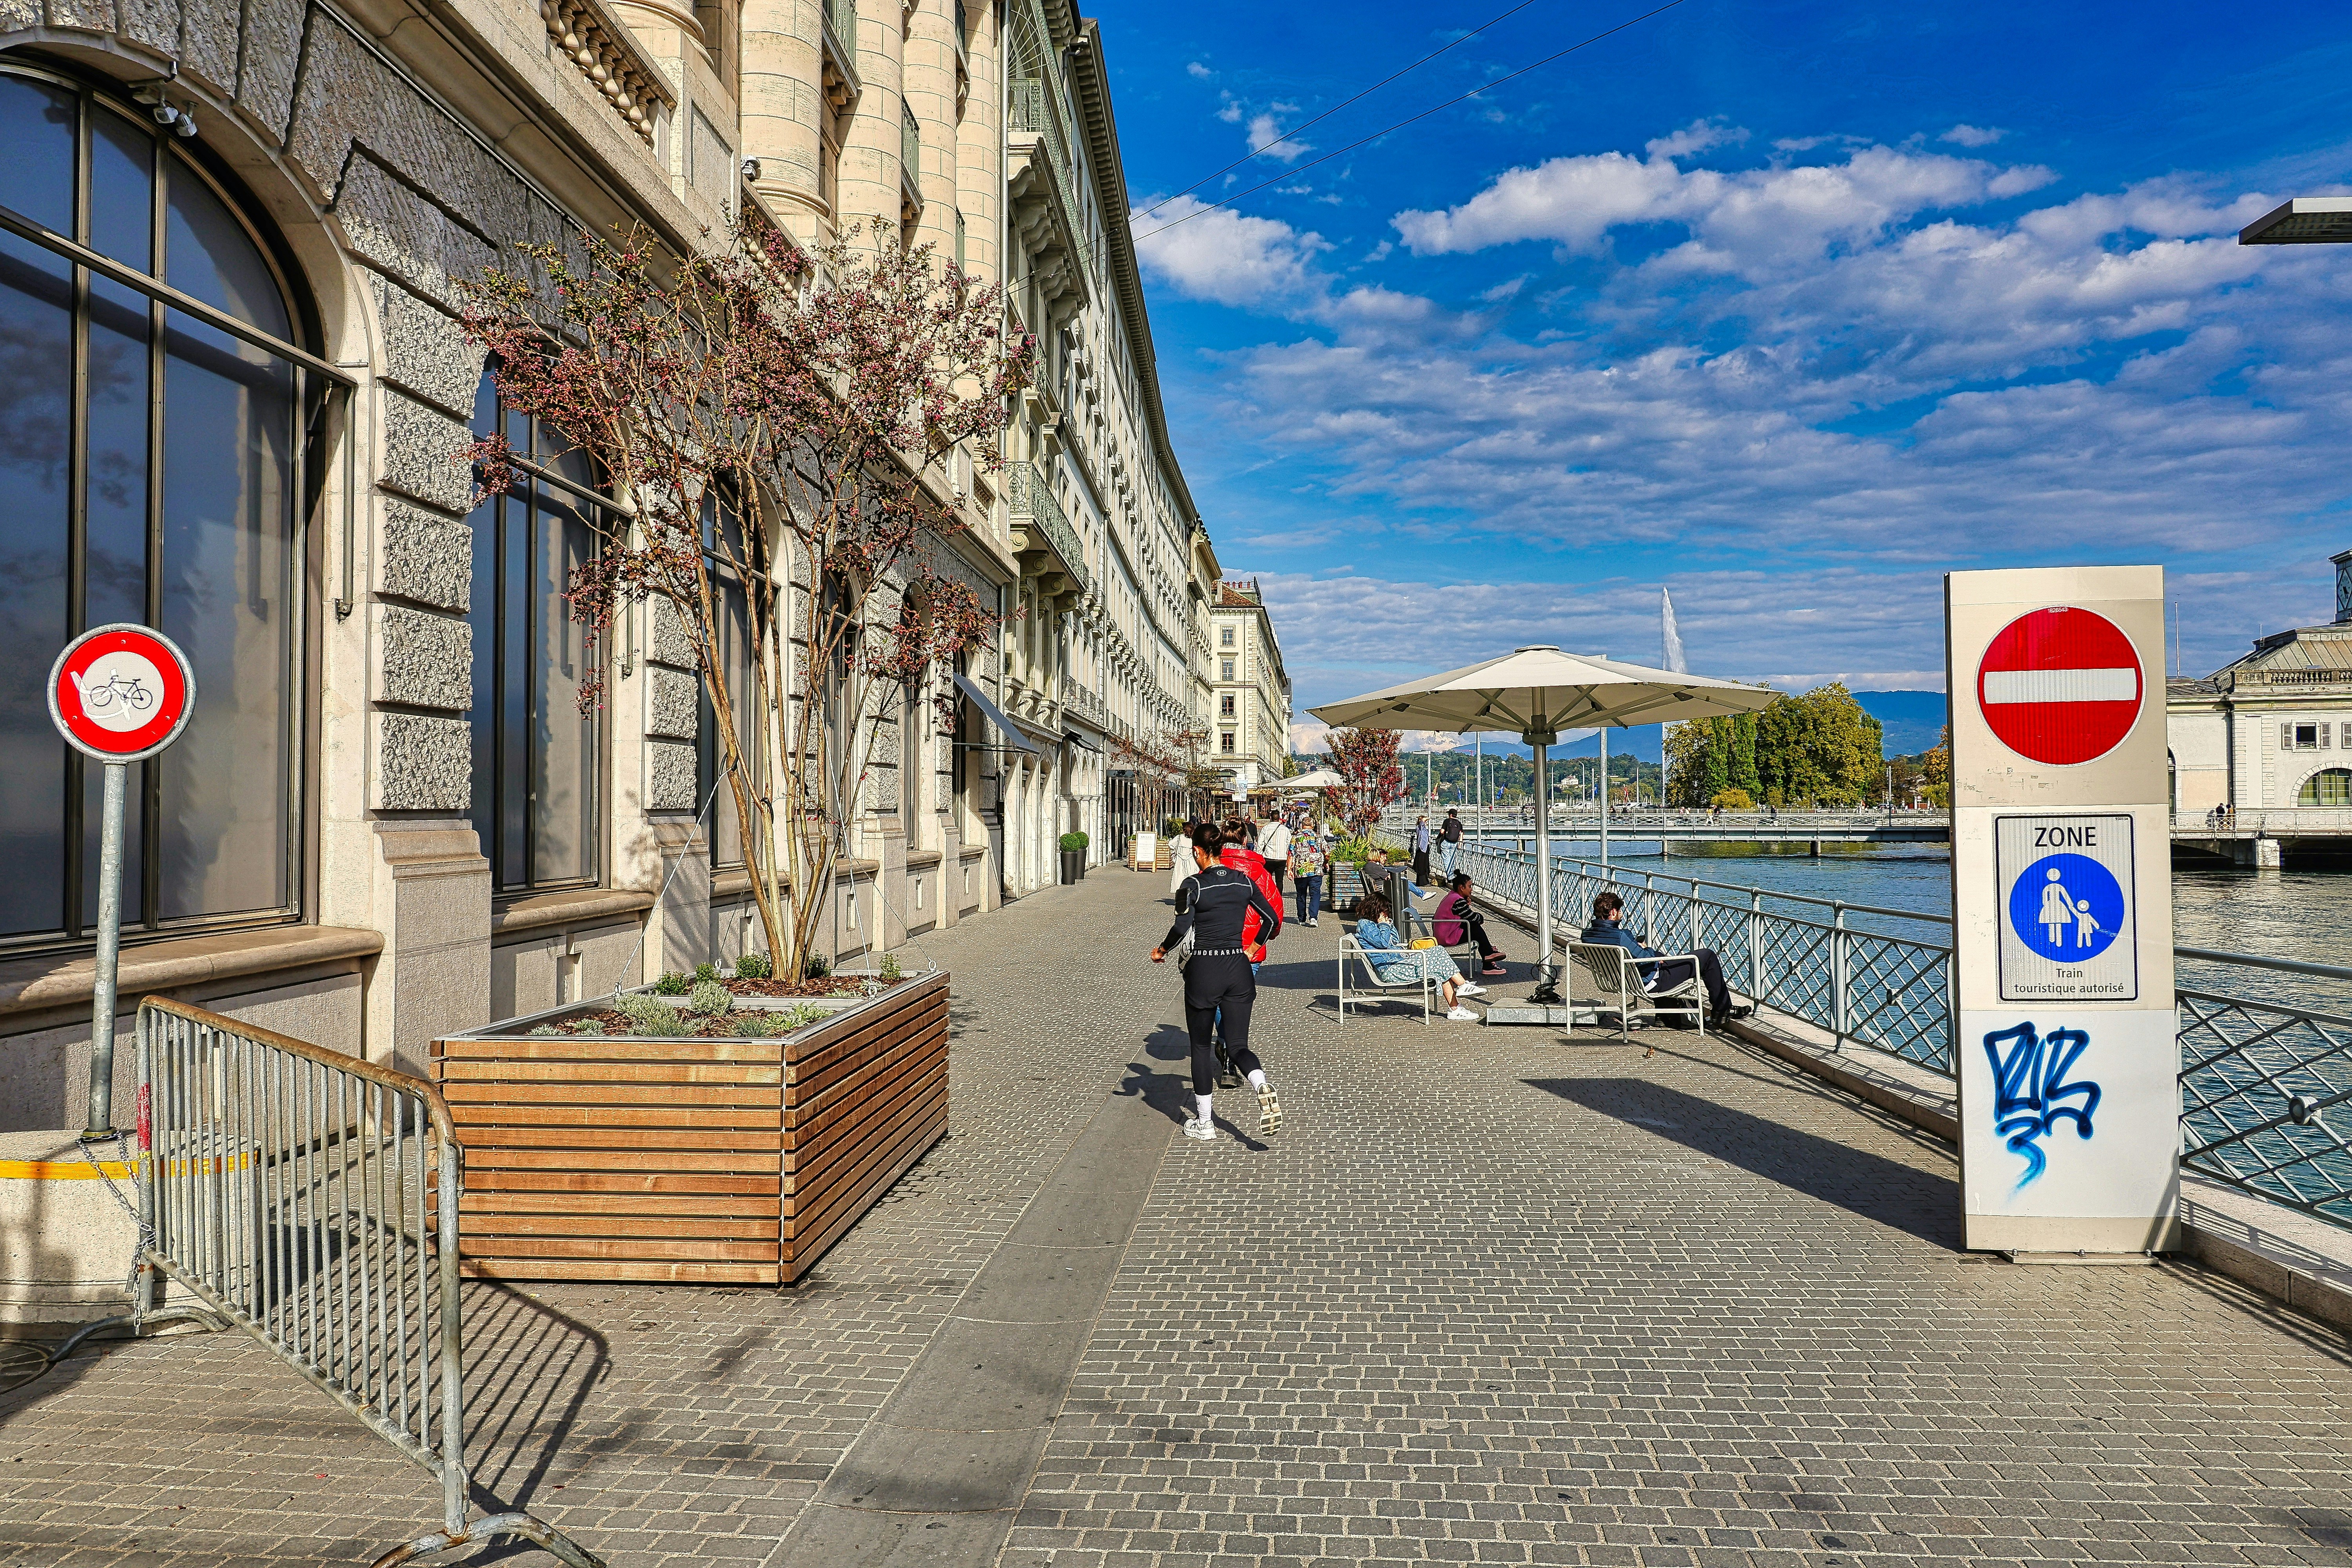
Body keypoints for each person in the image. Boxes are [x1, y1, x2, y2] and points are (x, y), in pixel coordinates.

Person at [1152, 823, 1284, 1141]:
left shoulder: (1192, 885)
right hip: (1238, 968)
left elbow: (1182, 926)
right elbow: (1271, 919)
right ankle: (1260, 1083)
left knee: (1200, 1046)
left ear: (1198, 851)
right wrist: (1253, 948)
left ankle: (1205, 1124)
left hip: (1205, 970)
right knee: (1238, 1045)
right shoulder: (1244, 881)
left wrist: (1162, 950)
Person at [1581, 891, 1750, 1030]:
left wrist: (1649, 953)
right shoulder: (1621, 936)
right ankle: (1722, 1011)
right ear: (1613, 912)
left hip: (1619, 980)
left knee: (1662, 957)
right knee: (1707, 957)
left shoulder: (1586, 935)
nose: (1621, 915)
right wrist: (1646, 948)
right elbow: (1645, 959)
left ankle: (1664, 1016)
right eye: (1619, 911)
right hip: (1648, 983)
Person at [1353, 893, 1480, 1020]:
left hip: (1399, 962)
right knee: (1439, 956)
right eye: (1385, 911)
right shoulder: (1365, 925)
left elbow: (1395, 940)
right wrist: (1384, 925)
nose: (1386, 914)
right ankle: (1461, 991)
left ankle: (1456, 1006)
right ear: (1376, 909)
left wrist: (1389, 925)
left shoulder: (1376, 924)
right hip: (1390, 969)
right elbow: (1383, 943)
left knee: (1440, 960)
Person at [1434, 873, 1507, 977]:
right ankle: (1488, 958)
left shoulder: (1452, 896)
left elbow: (1465, 915)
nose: (1472, 889)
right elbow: (1472, 917)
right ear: (1462, 888)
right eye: (1470, 886)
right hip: (1447, 937)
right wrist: (1481, 917)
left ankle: (1488, 958)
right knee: (1473, 926)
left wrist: (1466, 905)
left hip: (1445, 933)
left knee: (1473, 927)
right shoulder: (1458, 901)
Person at [1289, 824, 1326, 926]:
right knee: (1315, 894)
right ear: (1313, 825)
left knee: (1301, 895)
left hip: (1300, 871)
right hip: (1316, 871)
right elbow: (1327, 852)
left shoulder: (1296, 838)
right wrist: (1325, 863)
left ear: (1302, 826)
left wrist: (1289, 870)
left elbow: (1291, 855)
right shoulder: (1319, 837)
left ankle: (1301, 919)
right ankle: (1313, 918)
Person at [1258, 811, 1292, 900]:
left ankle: (1268, 897)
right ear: (1279, 818)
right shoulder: (1286, 830)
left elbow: (1260, 844)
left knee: (1267, 879)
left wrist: (1259, 856)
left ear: (1271, 818)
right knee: (1280, 881)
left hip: (1268, 858)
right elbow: (1289, 844)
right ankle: (1279, 898)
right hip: (1281, 859)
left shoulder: (1265, 829)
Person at [1439, 808, 1463, 878]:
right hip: (1455, 844)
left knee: (1447, 860)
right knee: (1452, 860)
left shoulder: (1447, 821)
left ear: (1451, 815)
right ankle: (1451, 876)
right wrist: (1460, 845)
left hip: (1446, 842)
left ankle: (1450, 878)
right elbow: (1461, 834)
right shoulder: (1459, 823)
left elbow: (1442, 832)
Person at [1412, 815, 1434, 885]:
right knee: (1421, 866)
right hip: (1421, 849)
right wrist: (1427, 818)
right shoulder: (1419, 828)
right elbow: (1422, 823)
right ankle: (1422, 882)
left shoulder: (1425, 830)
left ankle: (1425, 881)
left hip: (1426, 848)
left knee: (1425, 865)